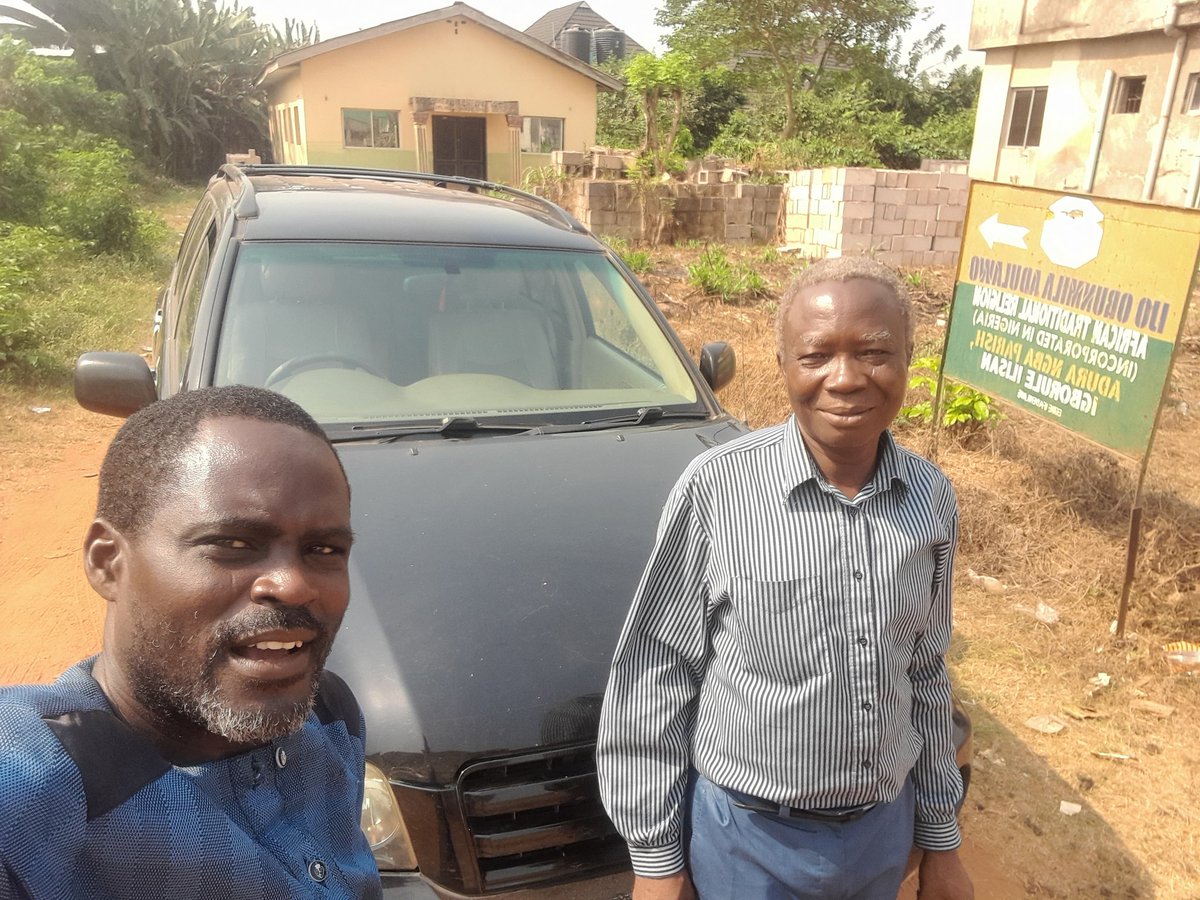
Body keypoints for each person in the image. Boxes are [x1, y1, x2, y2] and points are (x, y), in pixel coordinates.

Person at [597, 256, 974, 900]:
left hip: (882, 832)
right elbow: (654, 677)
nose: (847, 378)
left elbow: (925, 672)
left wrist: (940, 843)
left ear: (909, 359)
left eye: (875, 352)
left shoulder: (930, 497)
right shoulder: (717, 490)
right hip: (749, 841)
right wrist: (657, 864)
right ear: (783, 368)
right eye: (816, 355)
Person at [0, 386, 381, 899]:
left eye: (324, 549)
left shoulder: (329, 718)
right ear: (107, 561)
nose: (293, 584)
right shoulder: (33, 790)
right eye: (232, 544)